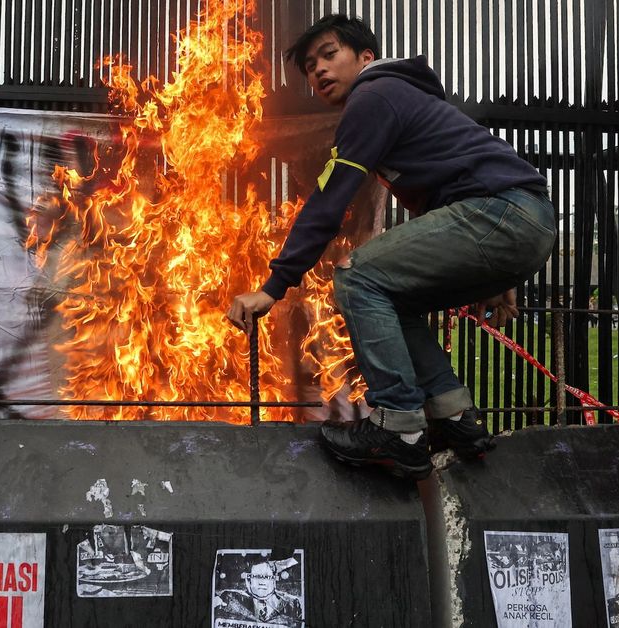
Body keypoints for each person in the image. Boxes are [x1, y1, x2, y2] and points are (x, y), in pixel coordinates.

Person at [226, 15, 556, 479]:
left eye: (329, 53)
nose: (317, 69)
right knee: (393, 297)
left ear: (365, 58)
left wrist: (275, 286)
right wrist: (498, 275)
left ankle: (398, 424)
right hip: (516, 221)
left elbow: (330, 199)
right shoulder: (397, 99)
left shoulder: (373, 95)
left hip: (500, 213)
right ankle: (455, 417)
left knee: (358, 274)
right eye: (308, 65)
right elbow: (447, 196)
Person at [212, 560, 303, 626]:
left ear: (274, 581)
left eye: (267, 577)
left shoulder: (293, 604)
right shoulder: (230, 598)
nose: (261, 582)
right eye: (256, 576)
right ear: (248, 581)